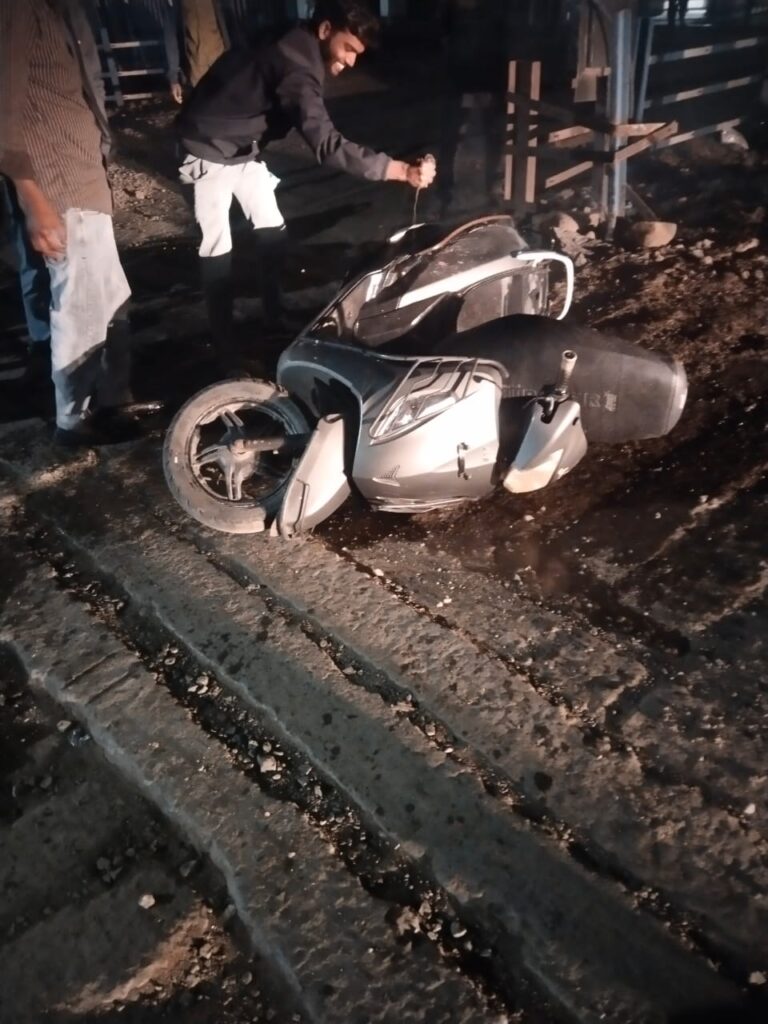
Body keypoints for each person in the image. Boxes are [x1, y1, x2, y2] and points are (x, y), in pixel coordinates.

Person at [175, 0, 436, 367]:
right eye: (348, 48)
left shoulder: (297, 40)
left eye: (357, 54)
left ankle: (273, 318)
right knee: (217, 248)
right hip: (204, 147)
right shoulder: (296, 64)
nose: (351, 62)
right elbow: (327, 145)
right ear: (325, 30)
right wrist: (400, 171)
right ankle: (225, 348)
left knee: (272, 232)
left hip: (241, 149)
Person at [0, 0, 159, 446]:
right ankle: (73, 421)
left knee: (110, 303)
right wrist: (33, 199)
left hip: (85, 179)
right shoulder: (18, 9)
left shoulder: (58, 9)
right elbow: (4, 113)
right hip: (60, 185)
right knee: (81, 311)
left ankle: (111, 401)